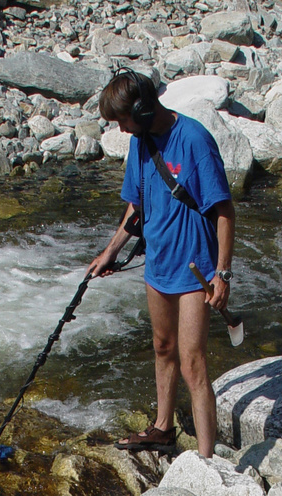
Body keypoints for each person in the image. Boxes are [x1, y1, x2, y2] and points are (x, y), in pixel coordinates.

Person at [88, 71, 236, 458]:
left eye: (123, 120)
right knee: (162, 346)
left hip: (196, 269)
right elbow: (135, 207)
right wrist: (110, 251)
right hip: (158, 264)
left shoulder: (194, 140)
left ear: (142, 108)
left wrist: (222, 274)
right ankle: (162, 428)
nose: (121, 129)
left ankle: (206, 460)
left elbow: (224, 211)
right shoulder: (141, 142)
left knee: (193, 363)